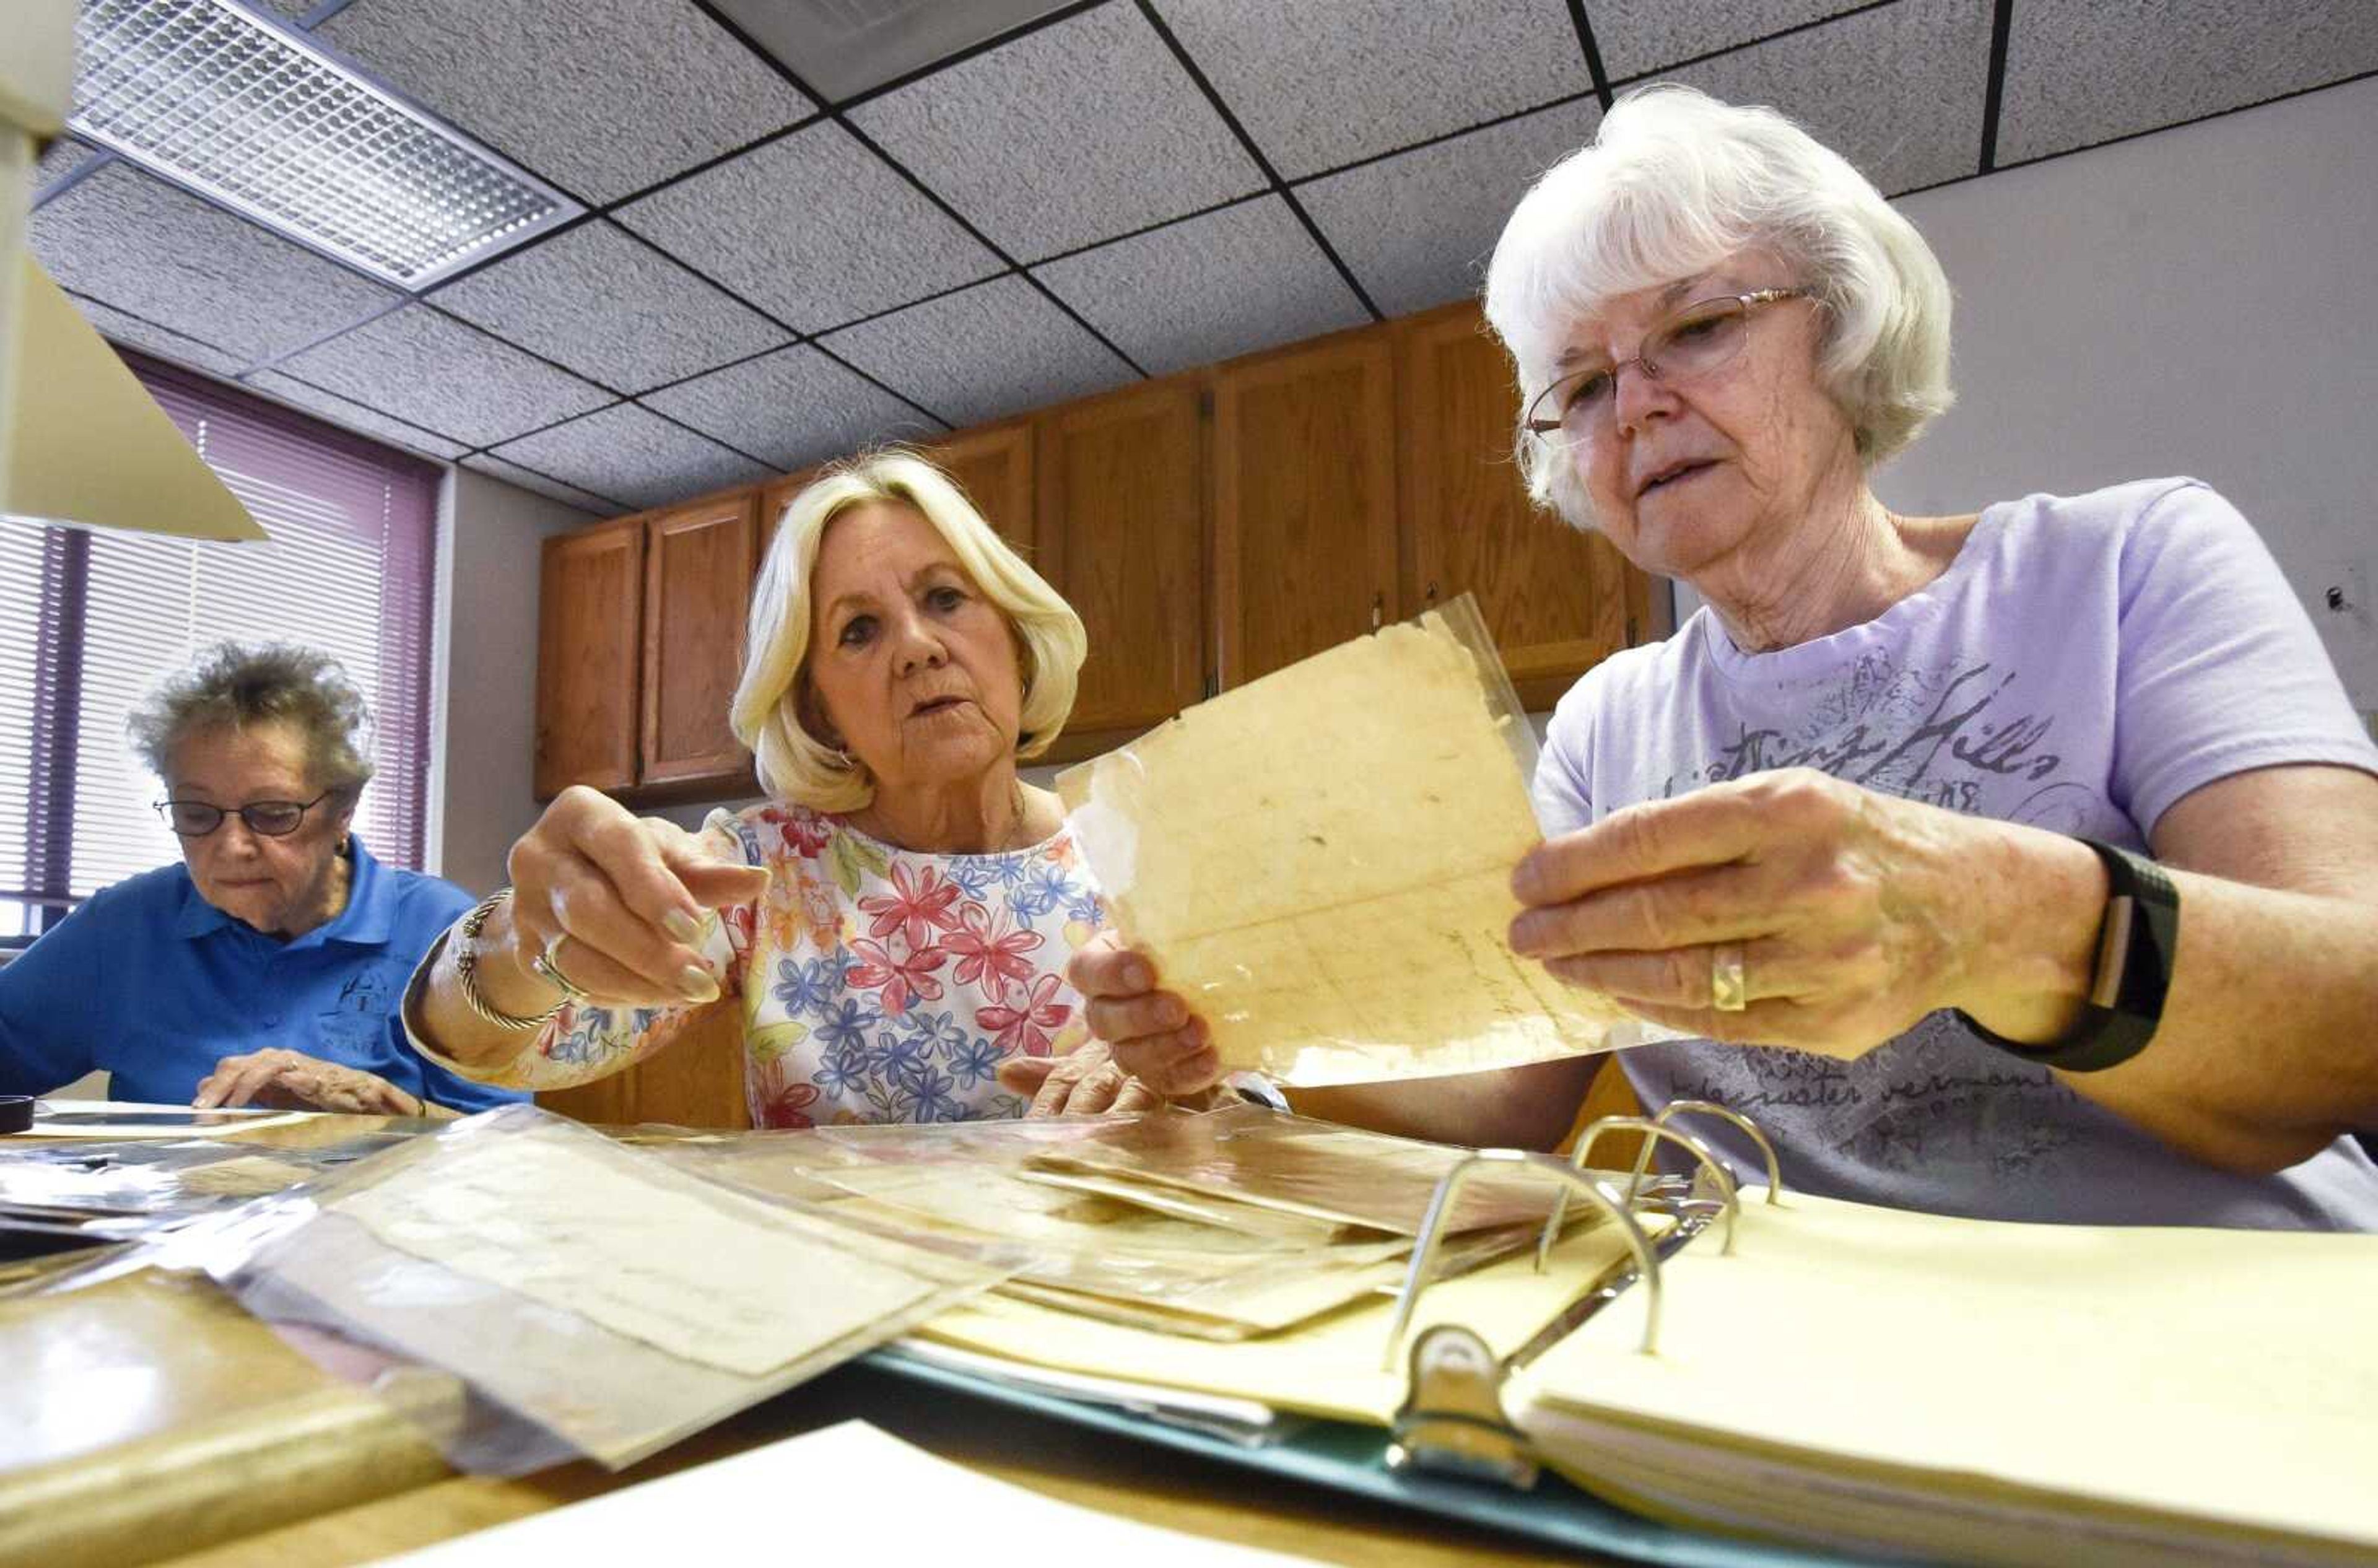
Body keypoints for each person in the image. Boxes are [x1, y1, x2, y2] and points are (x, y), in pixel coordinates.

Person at [1078, 86, 2378, 1230]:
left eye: (1699, 328)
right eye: (1583, 386)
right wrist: (1243, 1039)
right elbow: (1512, 1088)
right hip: (1763, 1355)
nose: (1635, 403)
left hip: (2214, 1345)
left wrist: (2003, 920)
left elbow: (2349, 1031)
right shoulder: (1605, 724)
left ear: (1846, 328)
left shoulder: (2131, 563)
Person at [406, 451, 1146, 1126]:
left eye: (946, 598)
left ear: (1015, 638)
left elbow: (1254, 1081)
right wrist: (523, 938)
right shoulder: (767, 869)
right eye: (859, 630)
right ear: (820, 708)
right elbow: (500, 1048)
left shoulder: (1136, 847)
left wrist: (1178, 1072)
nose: (918, 647)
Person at [0, 642, 521, 1117]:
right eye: (198, 814)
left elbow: (509, 1149)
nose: (231, 847)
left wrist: (386, 1112)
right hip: (170, 1217)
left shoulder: (443, 930)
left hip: (372, 1218)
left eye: (272, 814)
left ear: (342, 812)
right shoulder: (126, 927)